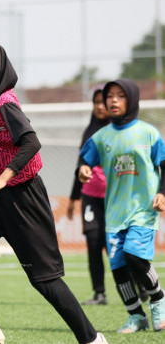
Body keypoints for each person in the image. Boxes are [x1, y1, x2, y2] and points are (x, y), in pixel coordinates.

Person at [0, 40, 108, 344]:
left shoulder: (5, 102)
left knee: (43, 279)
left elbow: (31, 142)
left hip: (22, 198)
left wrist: (1, 178)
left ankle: (92, 339)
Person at [78, 78, 165, 333]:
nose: (113, 100)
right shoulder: (101, 137)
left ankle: (158, 299)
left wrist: (162, 192)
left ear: (132, 99)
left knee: (134, 256)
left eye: (120, 96)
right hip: (115, 212)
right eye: (110, 96)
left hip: (143, 209)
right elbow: (84, 160)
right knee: (117, 266)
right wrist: (83, 169)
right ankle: (136, 316)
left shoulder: (148, 133)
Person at [67, 86, 110, 305]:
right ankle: (99, 293)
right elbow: (80, 165)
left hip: (115, 198)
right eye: (96, 102)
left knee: (116, 247)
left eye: (104, 101)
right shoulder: (89, 131)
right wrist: (74, 198)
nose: (101, 106)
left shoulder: (119, 130)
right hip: (90, 197)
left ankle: (139, 290)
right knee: (93, 243)